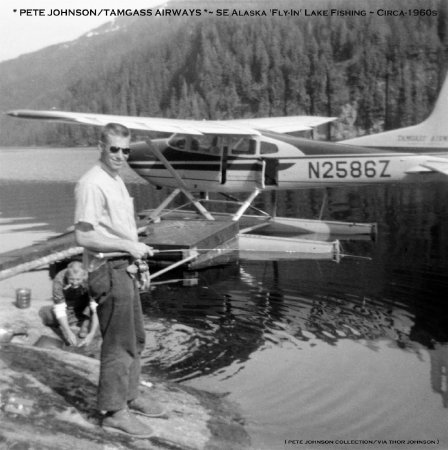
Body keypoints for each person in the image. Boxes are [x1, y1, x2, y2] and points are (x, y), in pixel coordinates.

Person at [74, 122, 164, 438]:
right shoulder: (92, 183)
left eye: (126, 150)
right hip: (108, 271)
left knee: (136, 337)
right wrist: (129, 246)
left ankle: (130, 395)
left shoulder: (115, 180)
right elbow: (84, 235)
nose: (120, 156)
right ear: (101, 145)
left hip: (124, 266)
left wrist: (137, 255)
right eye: (114, 149)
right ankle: (114, 412)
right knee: (119, 343)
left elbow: (117, 228)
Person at [40, 261, 99, 347]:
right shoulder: (59, 279)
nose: (75, 283)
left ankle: (85, 323)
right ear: (67, 276)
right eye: (71, 279)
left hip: (85, 302)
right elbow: (60, 308)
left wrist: (92, 334)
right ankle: (76, 319)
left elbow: (95, 308)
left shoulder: (90, 279)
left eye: (78, 279)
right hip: (69, 302)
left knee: (100, 310)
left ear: (83, 277)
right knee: (48, 316)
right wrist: (68, 333)